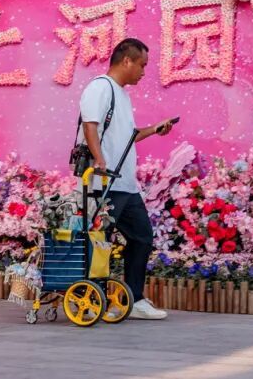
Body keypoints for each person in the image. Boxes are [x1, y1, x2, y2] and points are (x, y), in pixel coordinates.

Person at [79, 38, 176, 320]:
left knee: (142, 237)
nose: (144, 72)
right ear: (126, 61)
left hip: (124, 185)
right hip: (104, 183)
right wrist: (99, 160)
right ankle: (92, 299)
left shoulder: (121, 94)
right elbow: (89, 125)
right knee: (100, 242)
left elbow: (128, 136)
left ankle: (132, 300)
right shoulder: (100, 87)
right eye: (142, 65)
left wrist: (154, 129)